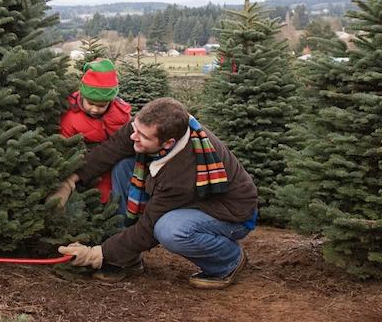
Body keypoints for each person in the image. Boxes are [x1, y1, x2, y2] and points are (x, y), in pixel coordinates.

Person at [49, 97, 258, 289]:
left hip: (230, 213)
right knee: (123, 166)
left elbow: (147, 228)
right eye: (135, 129)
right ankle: (127, 259)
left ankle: (228, 260)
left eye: (143, 136)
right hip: (190, 196)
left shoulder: (182, 172)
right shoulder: (149, 127)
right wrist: (70, 180)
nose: (134, 137)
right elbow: (110, 149)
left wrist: (97, 254)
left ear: (168, 143)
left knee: (170, 229)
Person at [59, 58, 131, 204]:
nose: (95, 109)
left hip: (114, 164)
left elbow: (127, 140)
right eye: (90, 103)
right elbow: (63, 145)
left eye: (101, 105)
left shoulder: (121, 113)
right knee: (102, 197)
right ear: (83, 96)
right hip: (86, 165)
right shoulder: (71, 116)